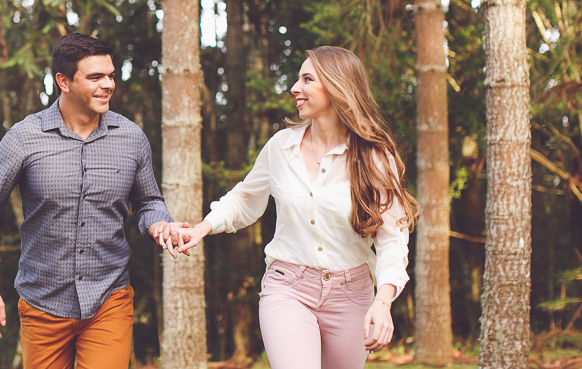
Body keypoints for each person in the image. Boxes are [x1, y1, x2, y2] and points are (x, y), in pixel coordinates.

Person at [176, 46, 419, 369]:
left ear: (336, 86)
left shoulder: (374, 157)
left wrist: (383, 301)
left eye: (307, 79)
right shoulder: (281, 146)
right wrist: (202, 228)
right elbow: (245, 198)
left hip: (352, 294)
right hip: (287, 287)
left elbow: (392, 237)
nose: (294, 88)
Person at [0, 33, 187, 369]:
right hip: (41, 304)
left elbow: (148, 201)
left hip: (109, 300)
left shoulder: (131, 138)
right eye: (95, 77)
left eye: (111, 76)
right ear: (63, 81)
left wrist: (160, 224)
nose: (108, 85)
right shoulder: (24, 137)